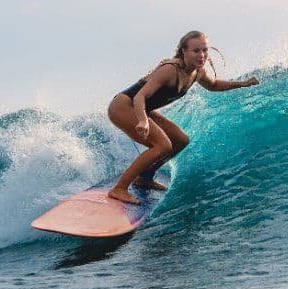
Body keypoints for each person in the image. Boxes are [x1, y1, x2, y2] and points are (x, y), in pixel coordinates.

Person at [106, 30, 259, 205]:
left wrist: (242, 84)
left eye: (205, 50)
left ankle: (145, 177)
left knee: (181, 140)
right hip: (124, 106)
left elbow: (213, 85)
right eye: (196, 50)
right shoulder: (170, 70)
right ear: (184, 51)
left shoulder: (197, 71)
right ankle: (119, 188)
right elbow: (140, 96)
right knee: (162, 145)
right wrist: (143, 120)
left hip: (143, 109)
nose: (202, 55)